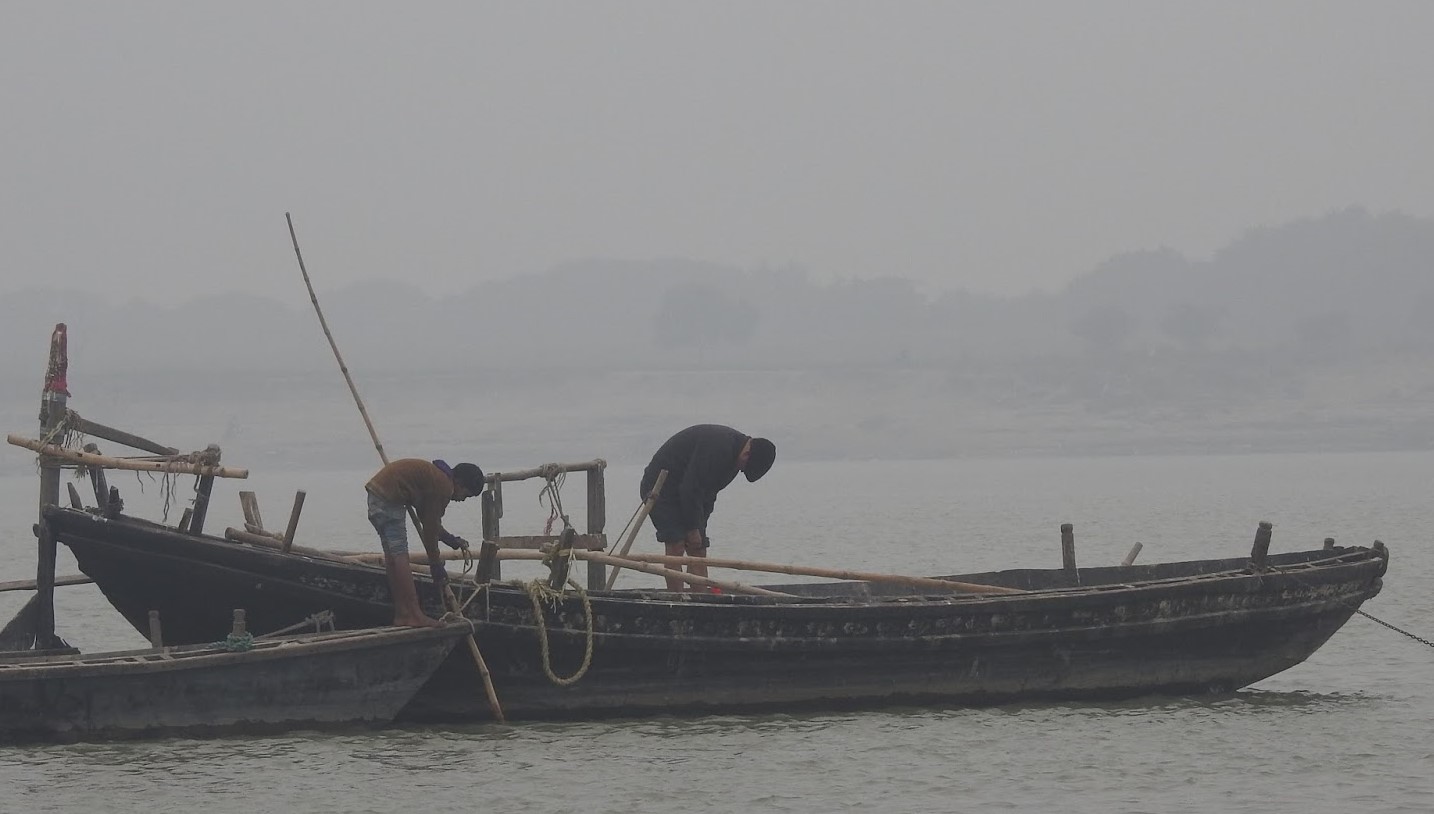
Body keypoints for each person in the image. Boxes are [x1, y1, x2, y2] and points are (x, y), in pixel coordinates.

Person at [640, 424, 776, 592]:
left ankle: (701, 598)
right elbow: (690, 488)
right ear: (747, 454)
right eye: (744, 468)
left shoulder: (734, 461)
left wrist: (699, 527)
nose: (741, 471)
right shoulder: (718, 447)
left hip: (690, 494)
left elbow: (709, 495)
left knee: (698, 548)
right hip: (661, 489)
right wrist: (692, 528)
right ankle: (676, 598)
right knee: (676, 543)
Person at [365, 458, 484, 627]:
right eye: (465, 494)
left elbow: (430, 522)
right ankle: (414, 614)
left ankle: (402, 614)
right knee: (400, 557)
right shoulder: (443, 487)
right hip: (390, 498)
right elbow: (430, 531)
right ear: (458, 483)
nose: (462, 499)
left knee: (392, 559)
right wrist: (435, 564)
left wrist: (451, 540)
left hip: (378, 495)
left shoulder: (435, 479)